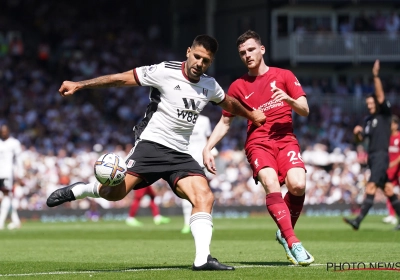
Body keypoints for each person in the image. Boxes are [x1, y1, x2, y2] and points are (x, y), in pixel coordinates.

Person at [46, 34, 266, 271]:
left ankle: (202, 259)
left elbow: (228, 103)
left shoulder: (209, 85)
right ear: (188, 52)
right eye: (197, 56)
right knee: (113, 194)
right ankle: (81, 189)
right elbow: (121, 79)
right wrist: (80, 84)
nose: (200, 63)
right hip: (151, 145)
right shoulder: (164, 71)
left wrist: (251, 114)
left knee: (205, 197)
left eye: (206, 61)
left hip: (180, 153)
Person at [202, 30, 314, 266]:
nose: (247, 55)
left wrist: (289, 100)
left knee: (298, 185)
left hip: (286, 140)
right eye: (242, 53)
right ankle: (294, 242)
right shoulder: (237, 87)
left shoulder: (284, 75)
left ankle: (284, 232)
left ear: (262, 49)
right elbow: (225, 121)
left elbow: (304, 108)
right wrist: (207, 147)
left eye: (251, 50)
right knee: (271, 183)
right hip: (258, 143)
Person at [343, 60, 400, 231]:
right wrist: (356, 133)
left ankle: (358, 221)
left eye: (372, 103)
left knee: (371, 186)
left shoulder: (384, 115)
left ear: (377, 103)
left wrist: (375, 76)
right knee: (389, 190)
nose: (369, 105)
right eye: (368, 104)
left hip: (381, 156)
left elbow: (381, 96)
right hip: (373, 158)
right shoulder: (369, 120)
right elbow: (360, 141)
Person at [181, 114, 215, 234]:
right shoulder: (181, 117)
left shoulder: (205, 120)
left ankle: (208, 221)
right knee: (186, 193)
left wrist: (211, 153)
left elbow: (208, 138)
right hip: (187, 160)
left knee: (206, 193)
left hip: (202, 161)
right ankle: (186, 223)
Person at [0, 124, 22, 230]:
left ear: (8, 131)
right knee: (6, 197)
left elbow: (18, 159)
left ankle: (0, 222)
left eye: (4, 131)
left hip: (7, 174)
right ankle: (16, 221)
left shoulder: (14, 143)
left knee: (6, 196)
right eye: (1, 131)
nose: (3, 133)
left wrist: (20, 173)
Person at [382, 115, 400, 225]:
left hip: (398, 169)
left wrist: (392, 163)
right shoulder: (387, 138)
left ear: (396, 125)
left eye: (391, 123)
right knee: (388, 191)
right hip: (390, 170)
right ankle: (392, 215)